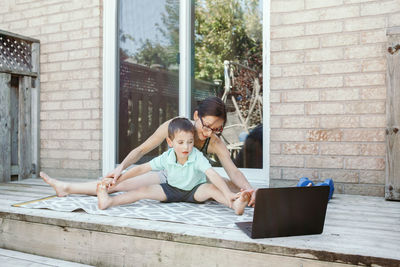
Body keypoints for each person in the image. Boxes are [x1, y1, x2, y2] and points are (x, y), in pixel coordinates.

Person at [40, 97, 256, 206]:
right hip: (168, 175)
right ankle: (66, 187)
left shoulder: (215, 142)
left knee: (228, 183)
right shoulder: (176, 127)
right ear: (196, 114)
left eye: (216, 129)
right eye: (206, 125)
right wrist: (120, 168)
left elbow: (233, 171)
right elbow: (142, 149)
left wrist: (249, 189)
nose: (209, 133)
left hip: (195, 180)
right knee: (120, 184)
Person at [96, 117, 251, 215]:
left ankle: (234, 204)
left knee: (212, 189)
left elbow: (211, 174)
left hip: (194, 191)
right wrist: (119, 178)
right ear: (170, 143)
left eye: (190, 142)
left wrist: (227, 193)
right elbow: (142, 168)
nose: (186, 147)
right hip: (170, 190)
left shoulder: (196, 156)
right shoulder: (167, 156)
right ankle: (108, 202)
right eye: (181, 142)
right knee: (142, 191)